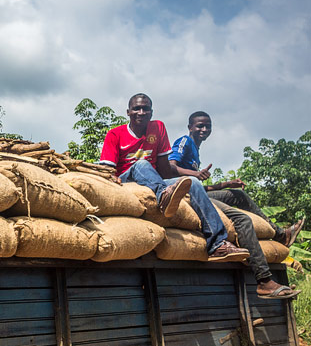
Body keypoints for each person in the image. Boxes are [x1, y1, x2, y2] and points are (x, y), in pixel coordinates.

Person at [169, 111, 303, 299]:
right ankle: (264, 281)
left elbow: (200, 187)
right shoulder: (184, 141)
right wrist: (194, 174)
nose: (204, 129)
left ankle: (281, 234)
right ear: (190, 127)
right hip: (186, 196)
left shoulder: (196, 151)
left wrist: (226, 184)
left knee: (238, 195)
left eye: (208, 126)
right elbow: (170, 167)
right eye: (199, 126)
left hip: (197, 192)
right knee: (242, 219)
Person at [99, 93, 249, 261]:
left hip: (153, 180)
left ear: (151, 112)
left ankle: (217, 244)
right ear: (128, 112)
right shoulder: (115, 134)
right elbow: (107, 171)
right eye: (137, 109)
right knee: (142, 164)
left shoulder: (158, 127)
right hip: (127, 180)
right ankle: (164, 196)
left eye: (146, 109)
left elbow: (164, 168)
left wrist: (179, 184)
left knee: (192, 182)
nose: (141, 112)